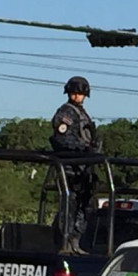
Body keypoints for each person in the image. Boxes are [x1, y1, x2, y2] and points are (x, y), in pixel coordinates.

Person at [50, 76, 98, 254]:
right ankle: (65, 242)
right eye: (74, 93)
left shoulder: (82, 114)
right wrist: (82, 149)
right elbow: (62, 138)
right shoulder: (66, 113)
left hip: (84, 167)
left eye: (80, 93)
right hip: (70, 166)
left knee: (85, 205)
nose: (77, 96)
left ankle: (76, 240)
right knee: (69, 205)